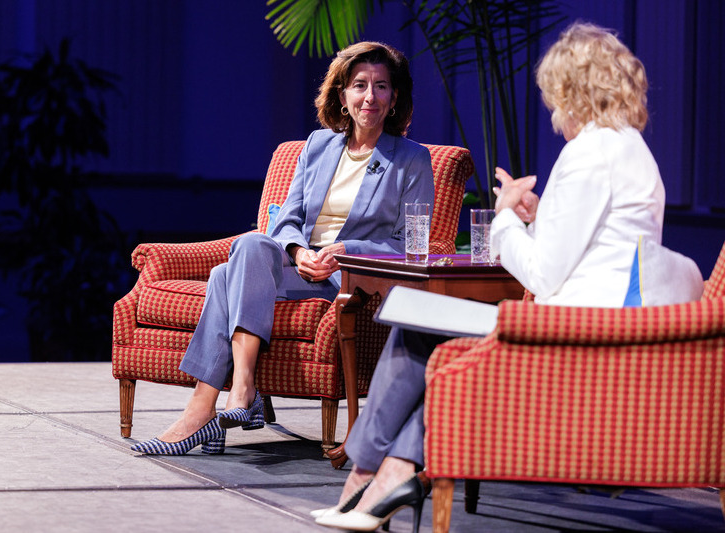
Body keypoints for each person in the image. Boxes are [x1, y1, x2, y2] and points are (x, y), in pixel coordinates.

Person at [313, 22, 665, 532]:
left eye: (554, 96)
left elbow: (543, 274)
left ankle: (365, 480)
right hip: (600, 316)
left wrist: (502, 218)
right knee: (423, 326)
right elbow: (597, 241)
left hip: (577, 331)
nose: (552, 109)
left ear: (572, 89)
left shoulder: (588, 154)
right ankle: (389, 477)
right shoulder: (625, 146)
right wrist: (539, 215)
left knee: (414, 321)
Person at [130, 41, 435, 455]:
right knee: (253, 243)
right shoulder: (317, 145)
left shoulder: (412, 159)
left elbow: (407, 244)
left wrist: (342, 249)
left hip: (348, 277)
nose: (370, 96)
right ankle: (240, 391)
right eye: (359, 85)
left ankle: (205, 410)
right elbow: (286, 220)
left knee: (223, 276)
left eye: (381, 86)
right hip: (298, 268)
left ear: (395, 96)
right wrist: (298, 252)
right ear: (342, 95)